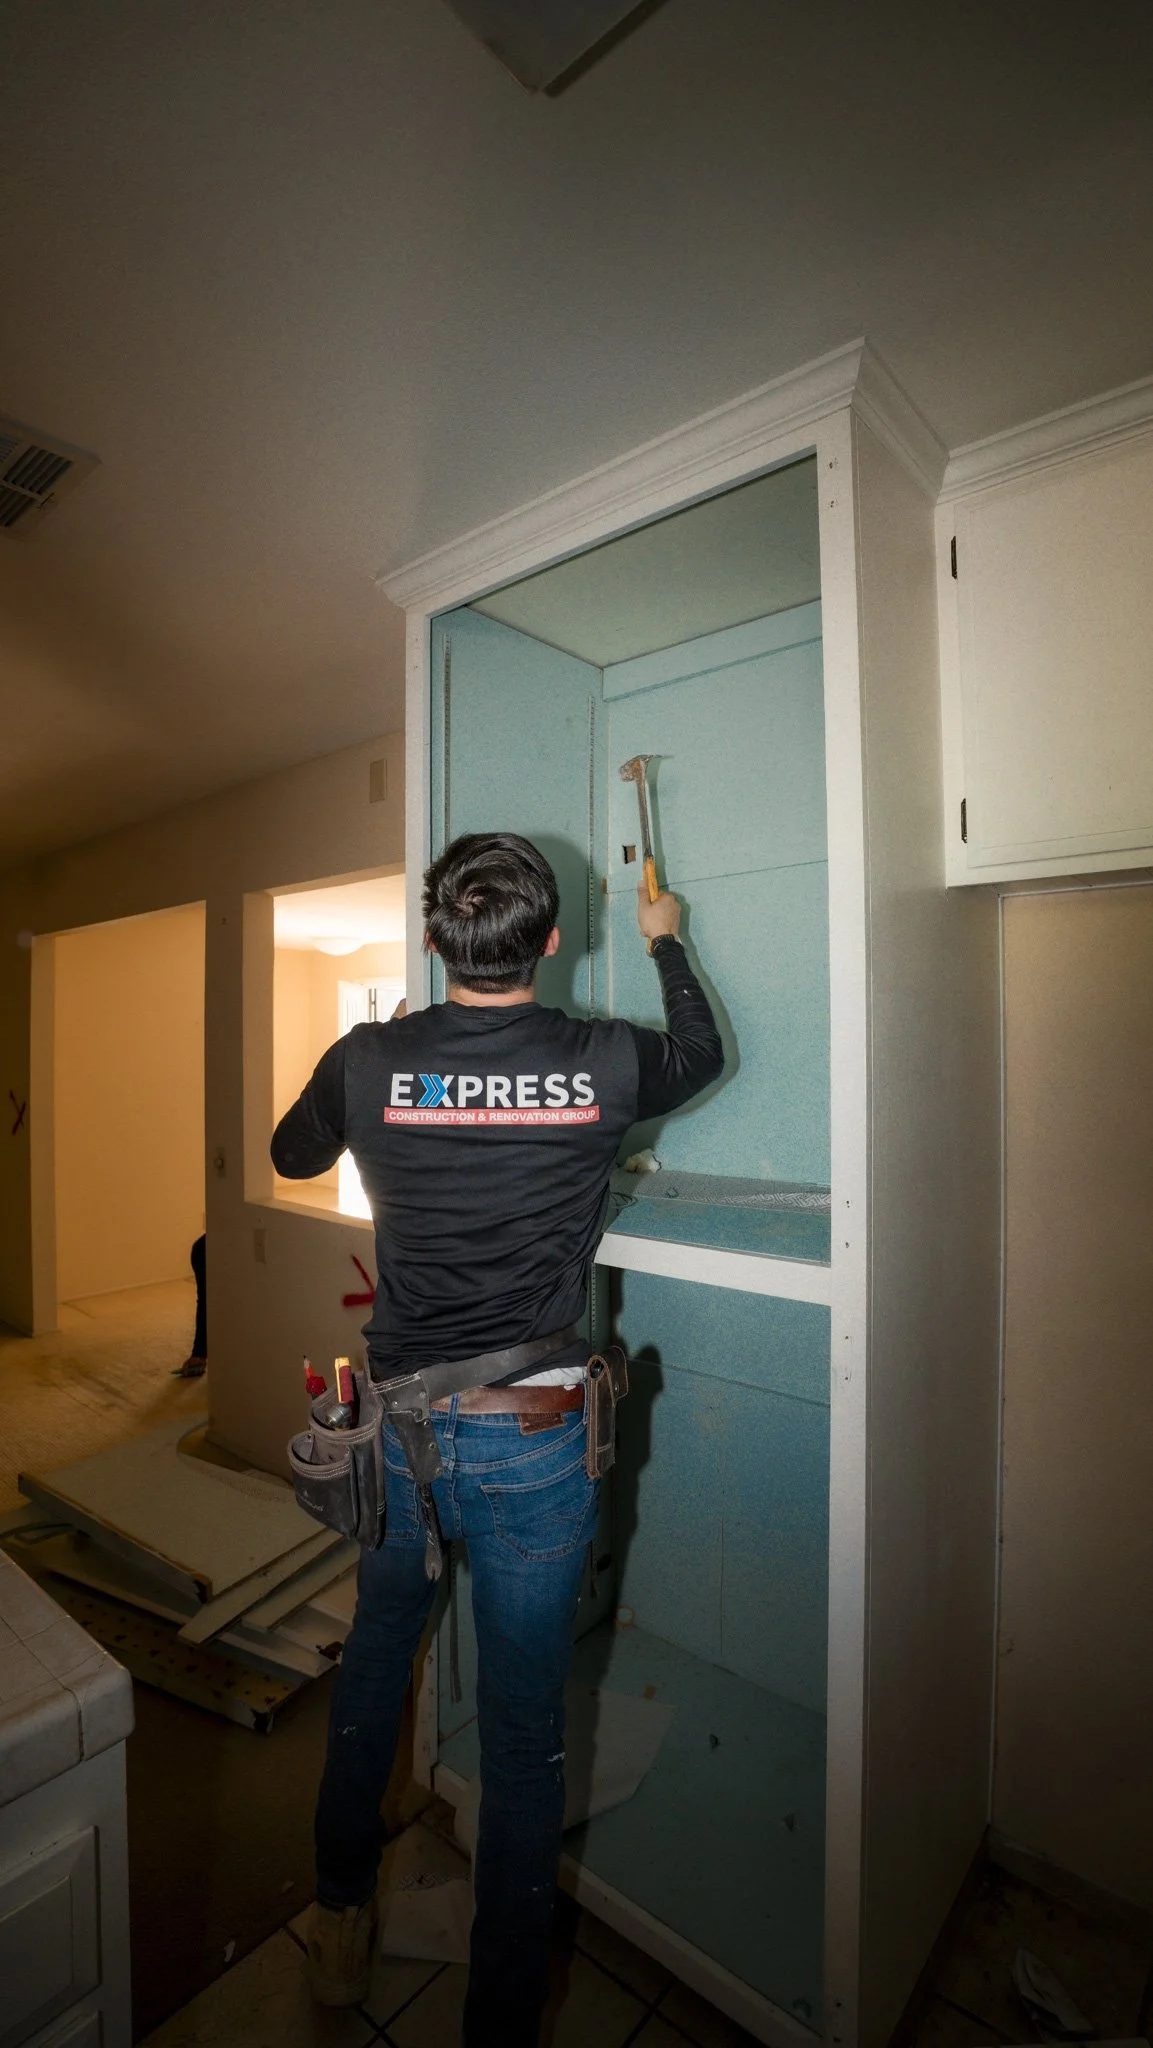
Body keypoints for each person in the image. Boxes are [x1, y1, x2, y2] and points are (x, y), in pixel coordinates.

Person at [271, 831, 723, 2046]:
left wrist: (388, 1099)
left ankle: (338, 1925)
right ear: (551, 938)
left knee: (372, 1679)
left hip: (399, 1442)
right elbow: (703, 1051)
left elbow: (290, 1153)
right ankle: (500, 2020)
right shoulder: (603, 1061)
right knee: (523, 1740)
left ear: (436, 938)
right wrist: (666, 936)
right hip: (533, 1438)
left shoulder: (370, 1059)